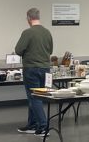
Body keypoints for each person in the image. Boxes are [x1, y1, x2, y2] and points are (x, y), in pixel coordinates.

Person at [14, 8, 54, 136]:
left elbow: (18, 50)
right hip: (46, 69)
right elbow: (50, 50)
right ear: (38, 17)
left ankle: (43, 126)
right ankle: (32, 125)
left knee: (34, 98)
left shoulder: (27, 32)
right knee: (38, 96)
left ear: (28, 18)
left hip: (31, 69)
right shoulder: (47, 32)